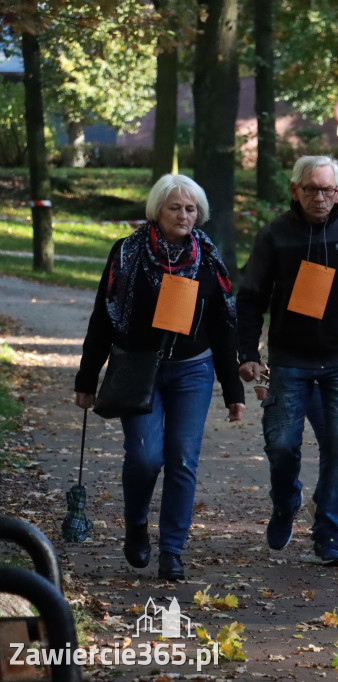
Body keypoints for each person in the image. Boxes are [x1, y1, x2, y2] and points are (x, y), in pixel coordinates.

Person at [74, 174, 245, 581]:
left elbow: (224, 327)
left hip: (194, 370)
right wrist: (86, 379)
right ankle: (136, 525)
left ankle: (172, 550)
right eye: (175, 207)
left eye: (190, 209)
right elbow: (103, 318)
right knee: (146, 456)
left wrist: (232, 389)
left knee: (182, 459)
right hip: (137, 369)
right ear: (157, 211)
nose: (184, 215)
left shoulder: (208, 257)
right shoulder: (127, 253)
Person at [236, 155, 338, 568]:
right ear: (295, 191)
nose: (319, 197)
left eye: (327, 190)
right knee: (282, 443)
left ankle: (328, 532)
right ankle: (286, 502)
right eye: (311, 189)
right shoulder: (275, 234)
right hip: (290, 358)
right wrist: (248, 353)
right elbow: (250, 297)